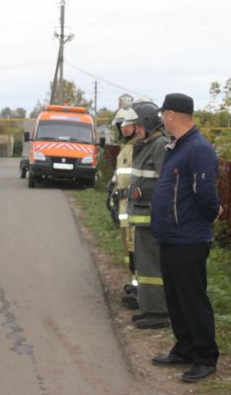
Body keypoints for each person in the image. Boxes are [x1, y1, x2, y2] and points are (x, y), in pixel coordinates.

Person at [150, 93, 221, 382]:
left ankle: (205, 356)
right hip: (171, 237)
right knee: (176, 298)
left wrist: (213, 211)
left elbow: (205, 195)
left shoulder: (198, 149)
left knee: (192, 299)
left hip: (189, 238)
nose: (161, 121)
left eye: (162, 115)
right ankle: (185, 347)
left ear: (170, 115)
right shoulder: (177, 146)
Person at [127, 101, 170, 329]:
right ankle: (148, 307)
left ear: (145, 123)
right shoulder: (146, 145)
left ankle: (159, 312)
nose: (132, 128)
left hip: (152, 218)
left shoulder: (160, 145)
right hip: (142, 218)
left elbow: (167, 182)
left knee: (153, 267)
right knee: (144, 266)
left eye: (135, 123)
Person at [108, 107, 140, 309]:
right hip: (124, 209)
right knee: (129, 249)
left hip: (134, 209)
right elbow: (121, 174)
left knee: (136, 248)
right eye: (121, 126)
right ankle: (134, 283)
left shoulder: (140, 147)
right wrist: (111, 191)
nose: (122, 129)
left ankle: (139, 288)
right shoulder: (127, 147)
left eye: (124, 125)